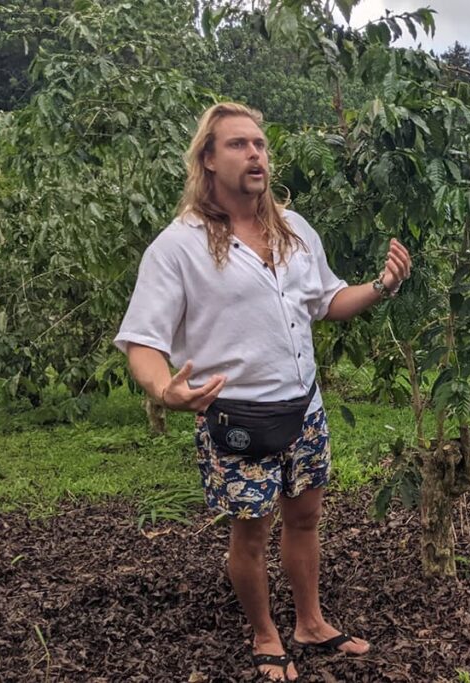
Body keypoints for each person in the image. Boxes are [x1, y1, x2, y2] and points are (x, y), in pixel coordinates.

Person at [114, 102, 412, 682]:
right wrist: (164, 390)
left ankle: (310, 622)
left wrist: (380, 285)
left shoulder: (295, 229)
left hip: (304, 409)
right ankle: (265, 632)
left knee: (305, 518)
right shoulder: (178, 246)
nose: (256, 154)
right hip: (237, 417)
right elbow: (142, 342)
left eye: (260, 144)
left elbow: (328, 303)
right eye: (238, 145)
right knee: (250, 533)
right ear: (207, 159)